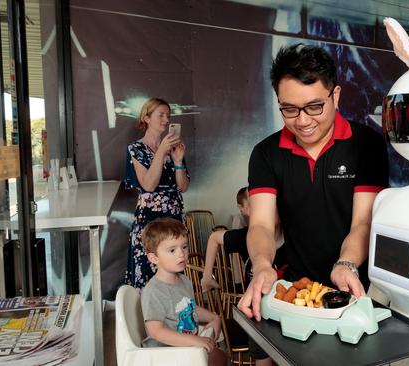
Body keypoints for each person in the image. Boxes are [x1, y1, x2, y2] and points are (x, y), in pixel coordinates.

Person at [238, 43, 389, 365]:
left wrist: (346, 263)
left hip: (352, 289)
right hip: (293, 286)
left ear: (336, 95)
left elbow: (363, 222)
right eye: (289, 109)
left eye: (314, 107)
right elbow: (262, 224)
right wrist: (263, 265)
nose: (302, 121)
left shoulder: (366, 145)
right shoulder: (266, 153)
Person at [140, 218, 226, 366]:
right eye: (172, 250)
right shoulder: (154, 291)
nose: (181, 254)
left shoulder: (185, 280)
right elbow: (156, 331)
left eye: (184, 247)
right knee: (217, 359)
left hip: (186, 348)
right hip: (165, 355)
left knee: (221, 357)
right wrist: (195, 340)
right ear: (154, 258)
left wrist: (213, 317)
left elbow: (189, 307)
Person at [124, 98, 190, 289]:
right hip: (150, 221)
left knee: (174, 272)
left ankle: (174, 316)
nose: (166, 120)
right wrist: (161, 151)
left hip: (174, 216)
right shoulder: (135, 149)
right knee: (148, 271)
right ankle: (148, 318)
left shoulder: (172, 149)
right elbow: (149, 185)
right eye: (160, 115)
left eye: (168, 115)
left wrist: (178, 161)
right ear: (146, 117)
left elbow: (183, 186)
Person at [201, 187, 285, 292]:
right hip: (254, 305)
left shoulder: (294, 238)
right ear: (247, 210)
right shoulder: (244, 236)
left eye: (274, 202)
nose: (268, 209)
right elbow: (214, 238)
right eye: (259, 205)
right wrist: (207, 277)